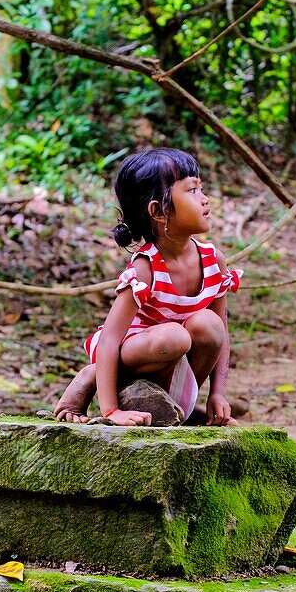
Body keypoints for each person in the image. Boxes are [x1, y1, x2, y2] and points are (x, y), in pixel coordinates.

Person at [53, 148, 242, 427]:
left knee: (209, 325)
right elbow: (109, 340)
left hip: (176, 361)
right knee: (175, 337)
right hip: (135, 351)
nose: (204, 199)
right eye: (191, 190)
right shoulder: (146, 267)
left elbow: (222, 335)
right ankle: (92, 375)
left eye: (201, 188)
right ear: (159, 212)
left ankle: (178, 408)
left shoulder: (214, 261)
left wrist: (217, 394)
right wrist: (111, 411)